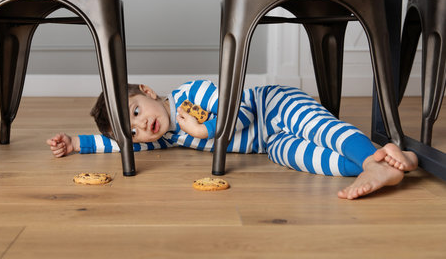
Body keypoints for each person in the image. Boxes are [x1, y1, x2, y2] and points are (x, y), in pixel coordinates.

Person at [46, 79, 418, 199]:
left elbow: (239, 106)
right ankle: (392, 162)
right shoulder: (164, 137)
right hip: (269, 143)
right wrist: (77, 144)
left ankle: (371, 159)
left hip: (274, 106)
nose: (143, 127)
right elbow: (118, 144)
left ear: (147, 91)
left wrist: (205, 129)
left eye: (137, 112)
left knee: (320, 129)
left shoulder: (192, 94)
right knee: (309, 157)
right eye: (135, 131)